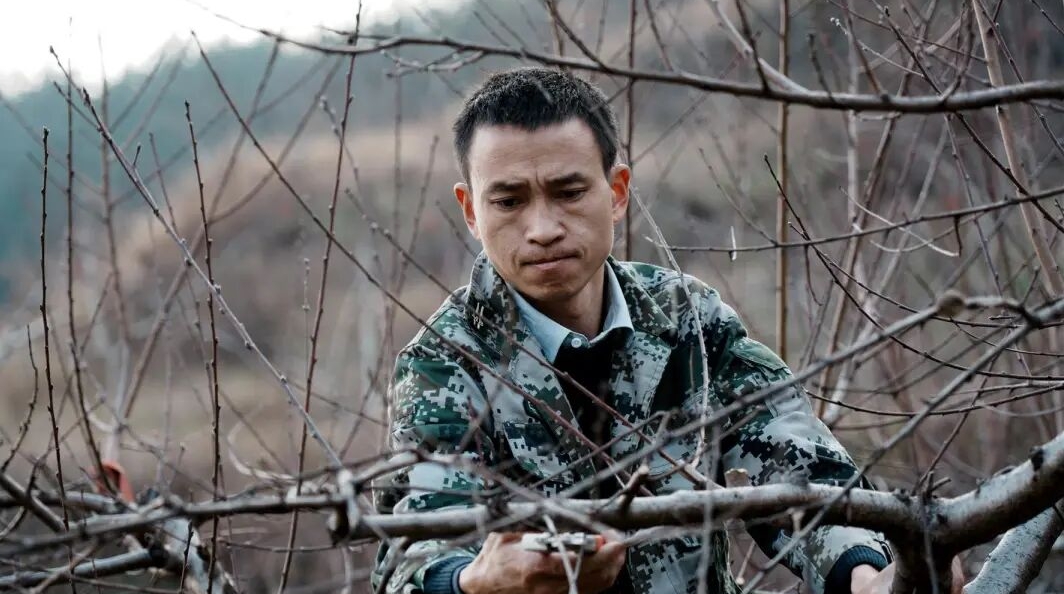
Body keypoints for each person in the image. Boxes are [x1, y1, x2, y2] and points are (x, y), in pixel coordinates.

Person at [371, 67, 895, 594]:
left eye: (569, 192)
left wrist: (863, 574)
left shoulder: (688, 319)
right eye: (508, 202)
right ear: (471, 211)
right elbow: (412, 557)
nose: (543, 230)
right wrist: (478, 582)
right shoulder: (446, 364)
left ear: (617, 192)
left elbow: (799, 467)